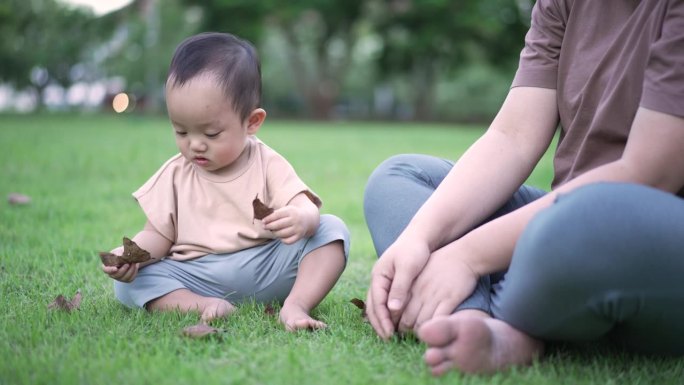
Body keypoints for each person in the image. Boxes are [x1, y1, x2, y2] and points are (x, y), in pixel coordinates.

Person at [363, 0, 684, 375]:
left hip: (638, 233)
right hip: (564, 225)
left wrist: (465, 255)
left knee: (584, 216)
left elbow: (647, 174)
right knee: (399, 177)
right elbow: (512, 137)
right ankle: (475, 320)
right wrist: (419, 239)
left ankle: (515, 313)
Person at [101, 32, 349, 331]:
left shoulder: (267, 163)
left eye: (211, 134)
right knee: (129, 286)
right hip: (197, 276)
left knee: (331, 230)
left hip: (266, 267)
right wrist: (129, 257)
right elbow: (157, 236)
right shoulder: (175, 174)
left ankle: (295, 305)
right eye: (181, 131)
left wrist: (301, 217)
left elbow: (304, 205)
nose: (195, 145)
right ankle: (205, 305)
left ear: (252, 122)